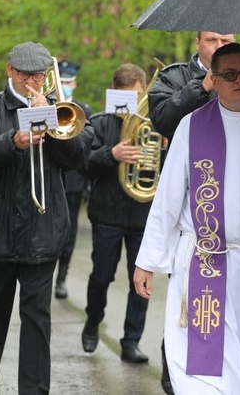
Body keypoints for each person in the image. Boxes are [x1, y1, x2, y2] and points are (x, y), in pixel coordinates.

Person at [134, 43, 240, 394]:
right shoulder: (192, 125)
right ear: (212, 78)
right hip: (203, 259)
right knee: (203, 370)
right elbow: (167, 198)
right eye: (230, 74)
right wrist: (147, 261)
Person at [0, 42, 93, 395]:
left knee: (37, 319)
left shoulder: (65, 109)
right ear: (9, 72)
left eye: (39, 75)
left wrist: (50, 118)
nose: (33, 82)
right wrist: (12, 142)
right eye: (25, 75)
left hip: (41, 231)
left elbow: (78, 157)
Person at [81, 63, 152, 364]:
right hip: (107, 214)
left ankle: (131, 340)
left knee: (141, 283)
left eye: (136, 96)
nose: (130, 104)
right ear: (113, 94)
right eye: (124, 96)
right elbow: (83, 165)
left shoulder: (154, 125)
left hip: (141, 217)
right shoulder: (97, 123)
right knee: (101, 276)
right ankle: (93, 320)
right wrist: (112, 154)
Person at [148, 31, 240, 141]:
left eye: (225, 41)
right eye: (211, 40)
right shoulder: (173, 75)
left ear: (234, 43)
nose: (219, 46)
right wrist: (201, 88)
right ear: (197, 43)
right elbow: (163, 122)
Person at [54, 59, 93, 300]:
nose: (66, 85)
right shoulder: (47, 105)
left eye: (69, 82)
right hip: (53, 176)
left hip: (74, 181)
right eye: (62, 82)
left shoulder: (83, 109)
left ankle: (62, 279)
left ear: (75, 84)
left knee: (69, 233)